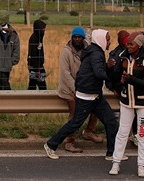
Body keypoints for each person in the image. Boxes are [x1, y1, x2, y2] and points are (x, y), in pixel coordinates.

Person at [44, 29, 121, 161]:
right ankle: (50, 145)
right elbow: (98, 72)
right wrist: (115, 77)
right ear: (101, 40)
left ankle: (112, 153)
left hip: (95, 95)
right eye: (108, 39)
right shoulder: (96, 54)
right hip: (87, 96)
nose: (110, 42)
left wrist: (107, 67)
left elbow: (96, 71)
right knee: (75, 123)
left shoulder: (94, 51)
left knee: (111, 121)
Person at [109, 31, 144, 178]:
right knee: (122, 133)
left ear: (139, 45)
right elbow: (115, 77)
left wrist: (130, 79)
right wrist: (112, 69)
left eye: (131, 44)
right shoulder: (122, 56)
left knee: (142, 134)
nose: (127, 46)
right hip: (126, 101)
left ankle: (141, 165)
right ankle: (116, 162)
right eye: (127, 43)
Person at [56, 26, 103, 153]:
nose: (77, 39)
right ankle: (69, 141)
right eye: (75, 37)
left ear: (83, 38)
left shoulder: (87, 49)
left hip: (84, 87)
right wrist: (75, 89)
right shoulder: (66, 51)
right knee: (75, 115)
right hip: (69, 89)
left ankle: (89, 131)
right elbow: (65, 73)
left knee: (95, 108)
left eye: (79, 37)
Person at [27, 19, 47, 90]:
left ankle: (29, 99)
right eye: (43, 29)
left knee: (32, 84)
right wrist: (37, 69)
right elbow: (33, 54)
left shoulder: (39, 37)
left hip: (37, 66)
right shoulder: (34, 39)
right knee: (42, 86)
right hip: (36, 67)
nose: (44, 31)